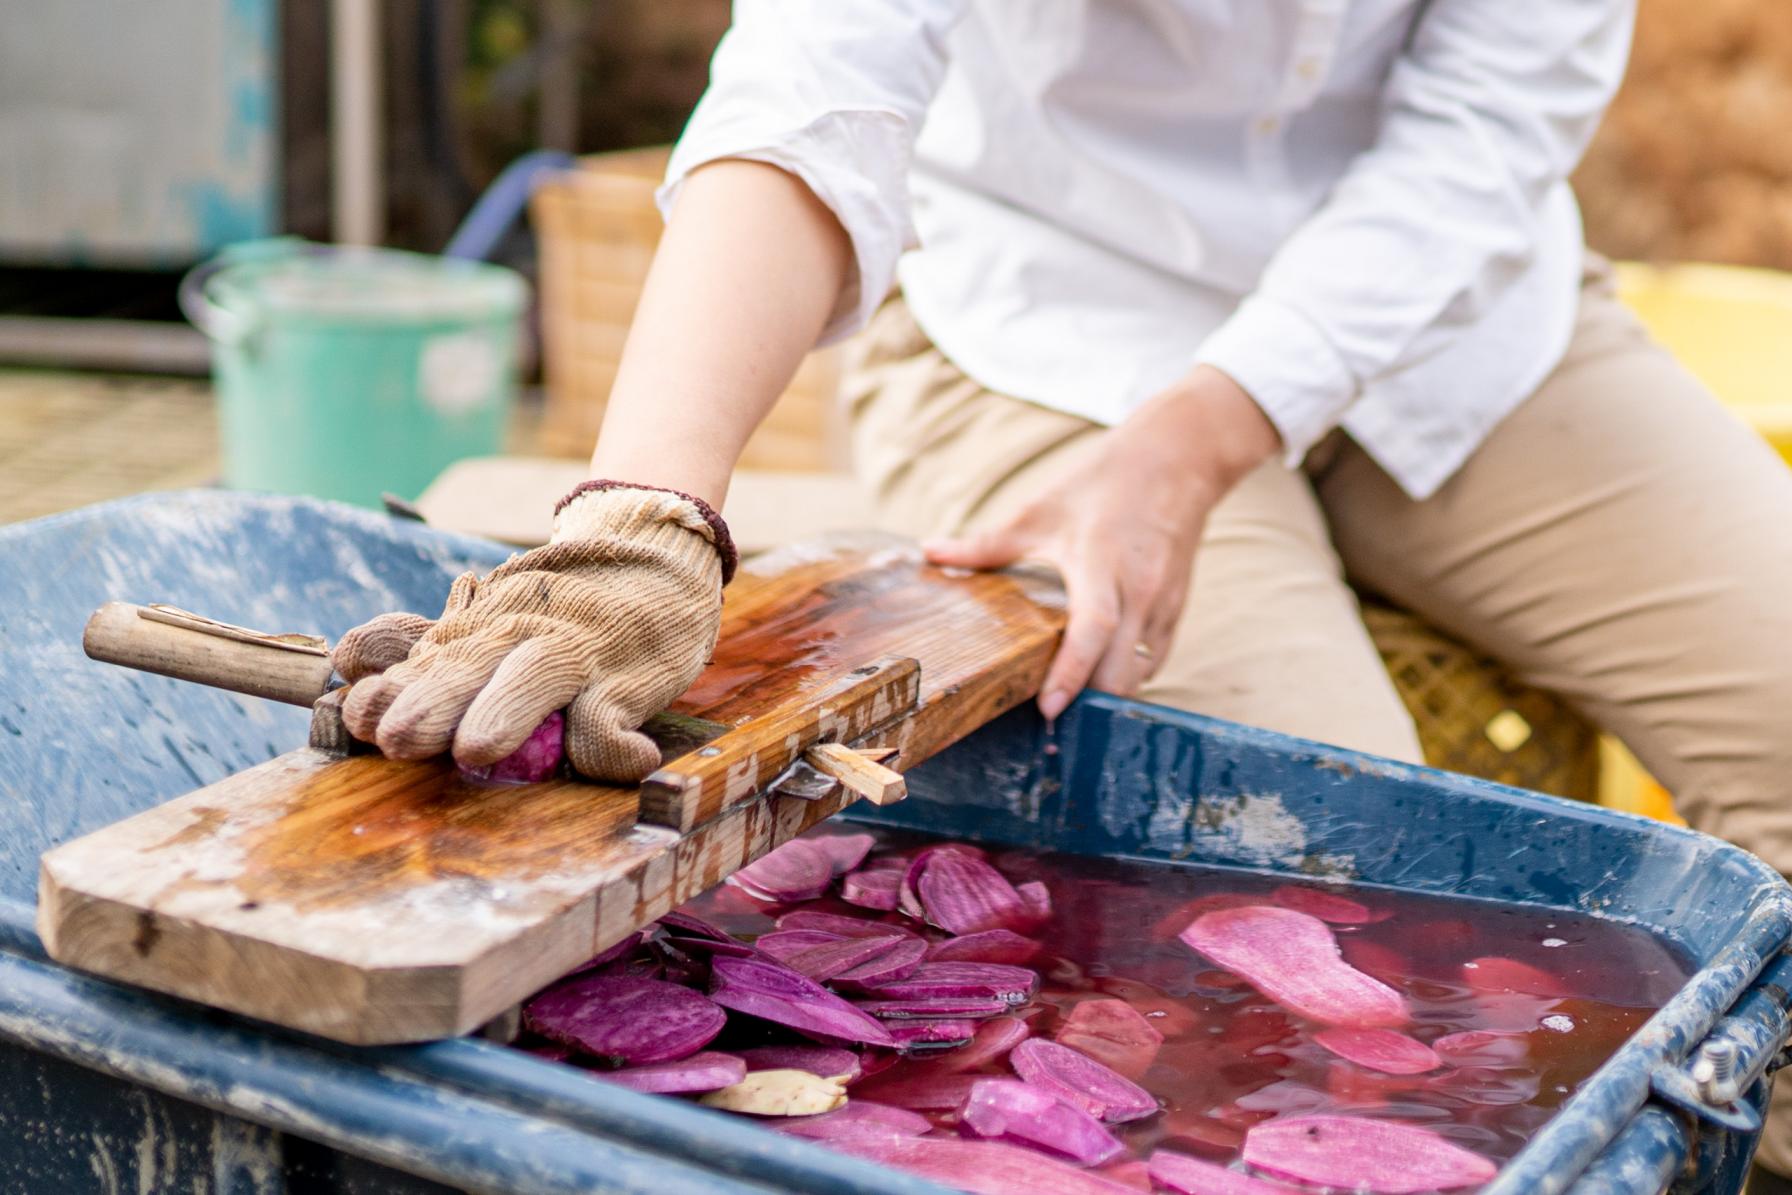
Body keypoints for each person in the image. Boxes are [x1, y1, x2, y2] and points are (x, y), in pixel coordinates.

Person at [332, 2, 1792, 1180]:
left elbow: (1476, 141)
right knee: (1333, 912)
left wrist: (1203, 440)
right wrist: (644, 512)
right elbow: (813, 82)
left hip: (1458, 322)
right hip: (1045, 329)